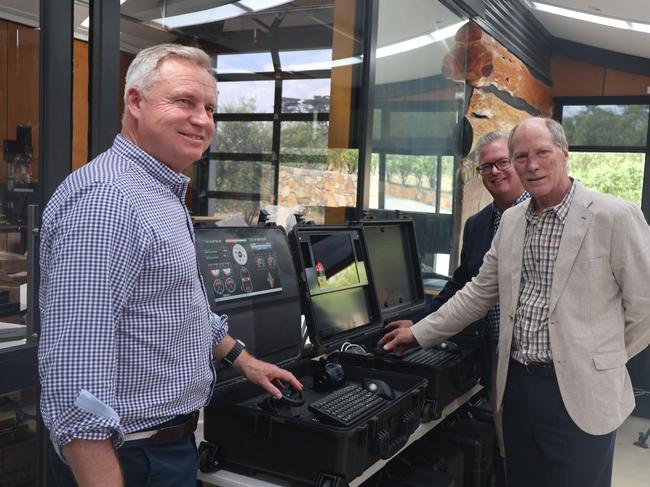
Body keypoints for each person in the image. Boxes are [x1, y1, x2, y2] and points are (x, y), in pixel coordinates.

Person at [38, 43, 302, 487]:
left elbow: (180, 305)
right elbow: (73, 379)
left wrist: (242, 360)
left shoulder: (159, 190)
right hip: (126, 459)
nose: (202, 120)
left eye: (210, 108)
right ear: (135, 101)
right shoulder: (107, 201)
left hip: (165, 448)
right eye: (184, 101)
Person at [379, 117, 650, 487]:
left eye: (542, 152)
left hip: (581, 393)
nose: (532, 165)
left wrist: (603, 358)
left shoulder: (615, 216)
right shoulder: (512, 222)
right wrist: (419, 333)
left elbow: (645, 306)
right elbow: (477, 292)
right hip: (518, 385)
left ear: (565, 152)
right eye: (521, 156)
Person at [387, 130, 528, 469]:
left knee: (529, 441)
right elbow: (464, 285)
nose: (495, 172)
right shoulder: (479, 224)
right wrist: (421, 320)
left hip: (528, 355)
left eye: (502, 162)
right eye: (486, 167)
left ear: (517, 164)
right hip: (489, 348)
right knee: (504, 436)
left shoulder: (537, 218)